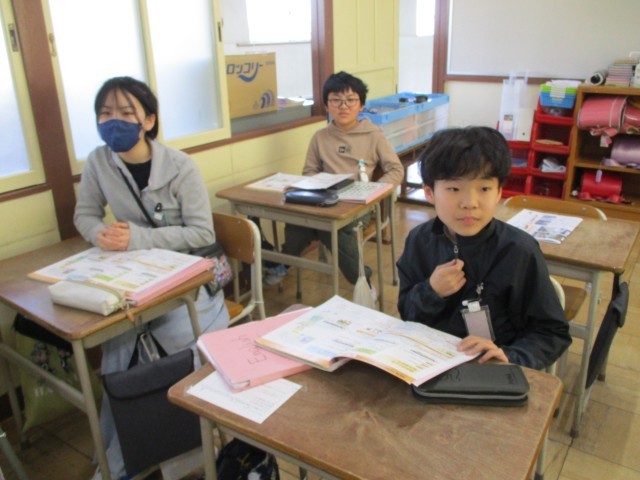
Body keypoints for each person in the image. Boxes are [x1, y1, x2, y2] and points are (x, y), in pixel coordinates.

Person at [74, 76, 229, 479]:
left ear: (148, 120)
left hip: (191, 283)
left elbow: (202, 234)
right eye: (105, 113)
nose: (114, 121)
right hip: (135, 280)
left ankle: (175, 448)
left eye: (126, 113)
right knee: (117, 348)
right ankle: (122, 451)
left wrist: (137, 238)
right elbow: (85, 214)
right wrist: (99, 233)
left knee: (164, 348)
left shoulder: (180, 167)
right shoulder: (98, 162)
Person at [396, 126, 571, 370]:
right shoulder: (419, 241)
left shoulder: (519, 250)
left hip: (493, 368)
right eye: (454, 189)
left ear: (499, 192)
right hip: (429, 362)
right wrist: (431, 291)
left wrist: (510, 356)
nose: (470, 203)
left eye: (484, 188)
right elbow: (407, 313)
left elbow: (552, 332)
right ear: (429, 192)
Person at [265, 71, 404, 287]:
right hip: (323, 200)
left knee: (336, 230)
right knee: (296, 225)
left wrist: (374, 189)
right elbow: (309, 171)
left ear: (361, 105)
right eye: (336, 100)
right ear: (327, 105)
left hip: (358, 206)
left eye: (350, 100)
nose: (343, 106)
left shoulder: (374, 135)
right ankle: (285, 265)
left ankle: (363, 282)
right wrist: (314, 185)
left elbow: (395, 169)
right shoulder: (320, 137)